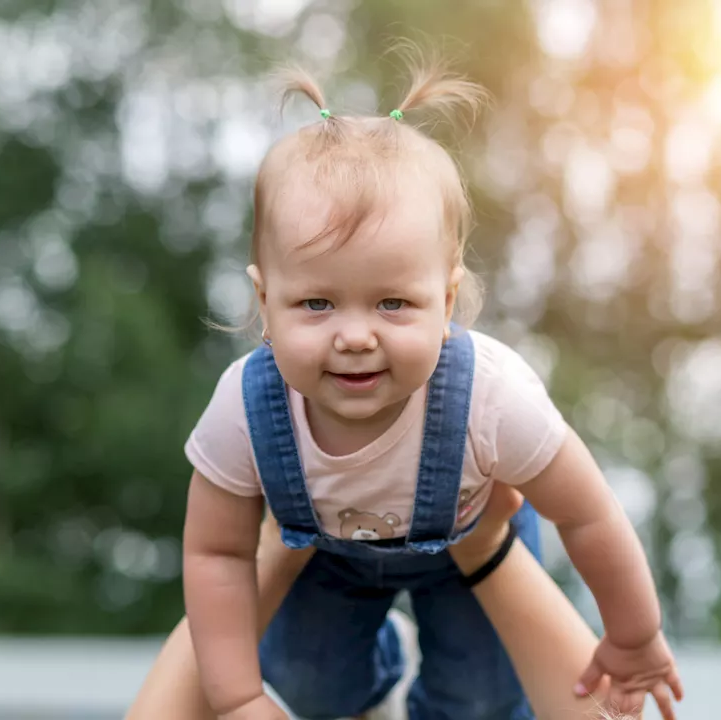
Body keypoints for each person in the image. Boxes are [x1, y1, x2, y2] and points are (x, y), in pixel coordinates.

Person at [177, 50, 682, 720]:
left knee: (481, 697)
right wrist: (237, 696)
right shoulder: (245, 408)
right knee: (305, 678)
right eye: (317, 305)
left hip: (466, 547)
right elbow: (216, 551)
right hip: (324, 559)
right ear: (265, 300)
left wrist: (634, 634)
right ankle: (376, 675)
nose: (355, 336)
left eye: (392, 303)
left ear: (446, 302)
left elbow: (587, 513)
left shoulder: (491, 399)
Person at [126, 485, 651, 720]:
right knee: (479, 702)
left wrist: (275, 549)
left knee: (313, 684)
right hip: (470, 518)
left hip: (331, 525)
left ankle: (370, 671)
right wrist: (486, 547)